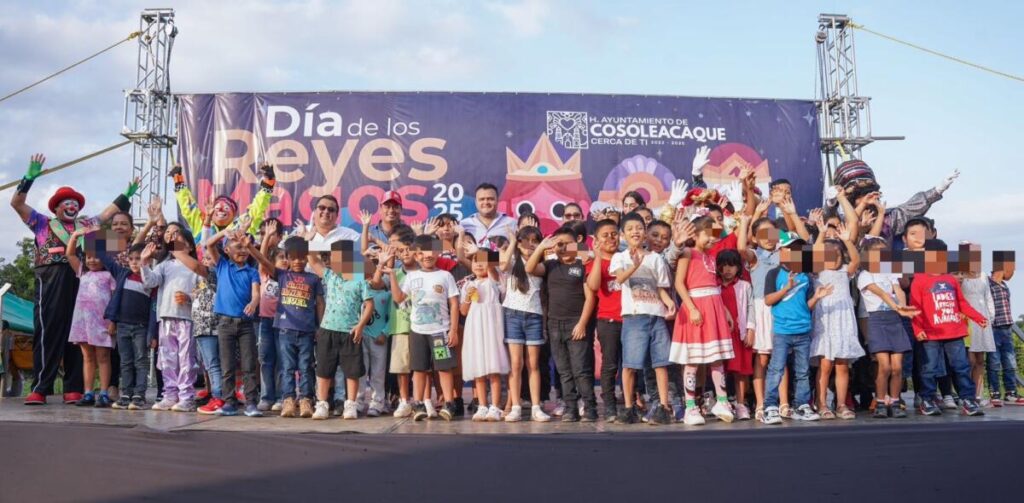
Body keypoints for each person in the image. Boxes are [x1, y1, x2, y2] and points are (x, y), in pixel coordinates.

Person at [12, 153, 139, 405]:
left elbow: (107, 219)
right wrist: (28, 179)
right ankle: (41, 386)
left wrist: (127, 196)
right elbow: (16, 203)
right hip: (49, 278)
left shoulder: (87, 226)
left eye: (74, 203)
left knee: (79, 333)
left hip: (81, 281)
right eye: (66, 203)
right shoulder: (42, 223)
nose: (71, 207)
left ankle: (74, 387)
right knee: (49, 331)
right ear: (57, 207)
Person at [178, 225, 264, 417]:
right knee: (227, 365)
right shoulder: (222, 266)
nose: (241, 251)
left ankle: (251, 403)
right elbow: (208, 244)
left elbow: (257, 293)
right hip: (224, 324)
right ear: (227, 250)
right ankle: (229, 402)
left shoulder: (252, 272)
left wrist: (253, 302)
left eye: (244, 248)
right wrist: (224, 233)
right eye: (237, 247)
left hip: (245, 325)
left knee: (249, 364)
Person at [610, 212, 676, 425]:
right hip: (634, 317)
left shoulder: (656, 258)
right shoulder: (619, 257)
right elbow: (620, 278)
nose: (635, 232)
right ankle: (629, 408)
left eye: (639, 228)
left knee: (660, 364)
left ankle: (664, 408)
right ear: (623, 235)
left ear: (645, 232)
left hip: (656, 316)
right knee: (630, 365)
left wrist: (668, 302)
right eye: (630, 229)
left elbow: (660, 288)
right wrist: (635, 265)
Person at [910, 239, 988, 417]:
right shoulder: (919, 280)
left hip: (954, 332)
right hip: (930, 333)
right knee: (929, 367)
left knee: (961, 366)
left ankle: (968, 399)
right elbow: (915, 308)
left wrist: (978, 317)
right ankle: (928, 399)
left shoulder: (950, 280)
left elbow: (961, 303)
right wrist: (918, 329)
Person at [527, 227, 598, 423]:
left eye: (568, 243)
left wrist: (582, 324)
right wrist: (541, 247)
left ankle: (590, 407)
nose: (564, 247)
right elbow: (529, 268)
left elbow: (590, 298)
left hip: (577, 323)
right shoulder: (549, 265)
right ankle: (570, 408)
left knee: (580, 369)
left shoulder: (582, 264)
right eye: (559, 244)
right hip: (554, 325)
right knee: (564, 371)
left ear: (577, 244)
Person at [670, 216, 735, 425]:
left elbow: (713, 286)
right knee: (693, 359)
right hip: (696, 308)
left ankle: (722, 401)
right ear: (696, 233)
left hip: (714, 309)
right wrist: (691, 308)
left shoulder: (710, 256)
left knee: (716, 359)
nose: (713, 239)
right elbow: (679, 284)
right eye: (709, 234)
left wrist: (724, 310)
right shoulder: (687, 253)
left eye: (716, 235)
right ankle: (690, 407)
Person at [389, 235, 461, 421]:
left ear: (437, 251)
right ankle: (418, 403)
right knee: (419, 369)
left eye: (429, 251)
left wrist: (453, 330)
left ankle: (449, 403)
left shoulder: (446, 276)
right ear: (415, 255)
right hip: (418, 332)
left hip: (440, 331)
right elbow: (398, 299)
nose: (425, 256)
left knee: (444, 369)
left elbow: (454, 304)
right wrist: (390, 273)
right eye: (420, 253)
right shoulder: (412, 276)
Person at [761, 237, 831, 424]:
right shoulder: (774, 273)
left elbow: (806, 306)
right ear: (781, 252)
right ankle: (770, 407)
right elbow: (768, 300)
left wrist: (816, 297)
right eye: (791, 249)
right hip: (782, 331)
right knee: (776, 369)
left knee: (802, 371)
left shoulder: (806, 276)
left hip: (803, 331)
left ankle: (801, 405)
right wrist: (786, 288)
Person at [257, 235, 324, 419]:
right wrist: (251, 247)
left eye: (301, 258)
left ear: (307, 258)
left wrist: (320, 327)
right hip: (285, 330)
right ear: (286, 258)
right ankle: (288, 400)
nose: (297, 262)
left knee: (306, 367)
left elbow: (319, 303)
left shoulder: (313, 279)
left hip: (307, 331)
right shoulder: (282, 275)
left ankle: (305, 400)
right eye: (292, 258)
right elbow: (262, 261)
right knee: (286, 367)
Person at [140, 223, 200, 412]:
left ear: (190, 246)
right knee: (167, 359)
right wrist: (144, 263)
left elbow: (204, 292)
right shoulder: (165, 265)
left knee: (186, 359)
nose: (175, 242)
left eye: (180, 240)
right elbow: (150, 282)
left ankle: (187, 397)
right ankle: (169, 394)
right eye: (172, 240)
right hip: (166, 317)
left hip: (187, 319)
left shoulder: (195, 267)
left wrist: (189, 298)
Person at [306, 241, 370, 420]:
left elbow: (369, 305)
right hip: (328, 330)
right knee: (324, 370)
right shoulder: (329, 276)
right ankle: (322, 404)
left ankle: (350, 404)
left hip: (350, 332)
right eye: (335, 258)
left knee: (352, 371)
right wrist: (309, 238)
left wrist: (360, 325)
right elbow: (312, 260)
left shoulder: (360, 281)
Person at [858, 237, 919, 418]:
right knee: (884, 366)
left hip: (895, 320)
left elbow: (898, 289)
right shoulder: (865, 275)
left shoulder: (890, 271)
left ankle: (894, 401)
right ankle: (880, 402)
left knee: (897, 367)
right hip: (877, 320)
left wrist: (902, 306)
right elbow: (882, 293)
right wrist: (898, 307)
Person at [809, 229, 864, 420]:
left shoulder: (844, 272)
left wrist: (847, 241)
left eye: (837, 255)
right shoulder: (817, 272)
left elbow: (856, 261)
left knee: (842, 365)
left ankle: (841, 404)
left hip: (844, 322)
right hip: (826, 322)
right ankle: (821, 402)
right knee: (825, 365)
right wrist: (821, 234)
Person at [95, 239, 154, 411]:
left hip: (141, 327)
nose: (135, 262)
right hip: (123, 326)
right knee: (126, 362)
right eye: (132, 259)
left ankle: (139, 395)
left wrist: (152, 333)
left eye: (139, 258)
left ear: (147, 259)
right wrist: (96, 234)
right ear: (127, 260)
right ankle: (126, 393)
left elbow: (154, 309)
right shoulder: (122, 274)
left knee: (141, 361)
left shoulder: (152, 280)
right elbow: (101, 254)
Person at [499, 225, 550, 422]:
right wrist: (512, 242)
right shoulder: (512, 259)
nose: (530, 244)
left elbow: (534, 267)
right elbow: (503, 266)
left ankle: (536, 407)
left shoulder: (542, 263)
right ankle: (516, 407)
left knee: (533, 364)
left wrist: (540, 249)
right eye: (525, 240)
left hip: (534, 316)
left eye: (535, 240)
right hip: (512, 315)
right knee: (516, 364)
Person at [65, 227, 116, 408]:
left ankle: (103, 392)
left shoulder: (109, 275)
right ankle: (88, 392)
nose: (92, 260)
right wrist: (76, 235)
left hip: (102, 321)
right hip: (83, 322)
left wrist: (113, 322)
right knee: (87, 357)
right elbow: (70, 254)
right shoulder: (83, 273)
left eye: (97, 257)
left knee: (103, 357)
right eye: (89, 257)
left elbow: (114, 300)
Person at [460, 249, 509, 422]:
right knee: (478, 370)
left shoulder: (495, 281)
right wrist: (467, 296)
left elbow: (494, 274)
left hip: (492, 328)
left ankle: (495, 407)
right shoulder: (468, 284)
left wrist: (489, 262)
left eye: (483, 261)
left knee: (493, 369)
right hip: (474, 328)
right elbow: (463, 311)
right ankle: (482, 405)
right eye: (475, 261)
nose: (479, 264)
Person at [168, 162, 275, 239]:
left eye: (226, 208)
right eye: (217, 208)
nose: (221, 210)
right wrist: (178, 181)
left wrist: (268, 184)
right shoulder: (202, 224)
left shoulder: (241, 225)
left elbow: (256, 210)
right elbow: (188, 208)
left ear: (234, 215)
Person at [376, 225, 418, 418]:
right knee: (401, 368)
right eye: (400, 250)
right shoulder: (394, 273)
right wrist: (382, 264)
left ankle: (419, 400)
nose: (405, 253)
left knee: (420, 367)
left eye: (408, 248)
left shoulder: (425, 272)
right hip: (400, 327)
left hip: (422, 328)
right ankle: (403, 401)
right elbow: (377, 285)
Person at [586, 219, 624, 422]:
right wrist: (599, 256)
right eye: (605, 235)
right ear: (597, 240)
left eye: (614, 233)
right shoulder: (592, 261)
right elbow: (592, 286)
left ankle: (629, 402)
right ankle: (609, 405)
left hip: (631, 319)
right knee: (610, 365)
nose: (611, 238)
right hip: (607, 320)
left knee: (630, 364)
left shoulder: (626, 257)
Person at [716, 249, 754, 420]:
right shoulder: (714, 287)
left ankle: (740, 403)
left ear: (739, 267)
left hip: (739, 333)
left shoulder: (745, 286)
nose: (728, 270)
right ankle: (722, 402)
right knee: (719, 369)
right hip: (719, 334)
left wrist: (751, 329)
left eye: (732, 266)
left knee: (740, 371)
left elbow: (750, 308)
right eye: (724, 266)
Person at [957, 246, 995, 406]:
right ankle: (966, 394)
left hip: (982, 317)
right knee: (969, 360)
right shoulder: (960, 276)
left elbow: (988, 297)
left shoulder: (984, 276)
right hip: (967, 318)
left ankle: (977, 395)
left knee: (980, 359)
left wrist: (990, 317)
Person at [256, 219, 286, 412]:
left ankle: (283, 397)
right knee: (266, 359)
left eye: (286, 258)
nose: (284, 260)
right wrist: (267, 236)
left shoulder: (288, 275)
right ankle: (267, 397)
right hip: (266, 322)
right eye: (280, 258)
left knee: (284, 360)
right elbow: (262, 257)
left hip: (285, 322)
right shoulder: (265, 274)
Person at [360, 251, 392, 417]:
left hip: (379, 338)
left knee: (378, 372)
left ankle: (377, 402)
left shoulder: (387, 294)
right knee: (360, 371)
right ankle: (358, 401)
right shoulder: (359, 289)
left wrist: (384, 333)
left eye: (373, 265)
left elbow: (392, 317)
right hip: (360, 336)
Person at [988, 253, 1020, 405]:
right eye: (1011, 270)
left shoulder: (1004, 285)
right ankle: (994, 392)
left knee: (1010, 362)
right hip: (994, 328)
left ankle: (1010, 391)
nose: (1012, 274)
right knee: (994, 362)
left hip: (1007, 327)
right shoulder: (988, 284)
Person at [460, 183, 517, 248]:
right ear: (476, 202)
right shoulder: (464, 225)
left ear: (497, 200)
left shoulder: (512, 224)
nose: (486, 202)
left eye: (490, 199)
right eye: (482, 199)